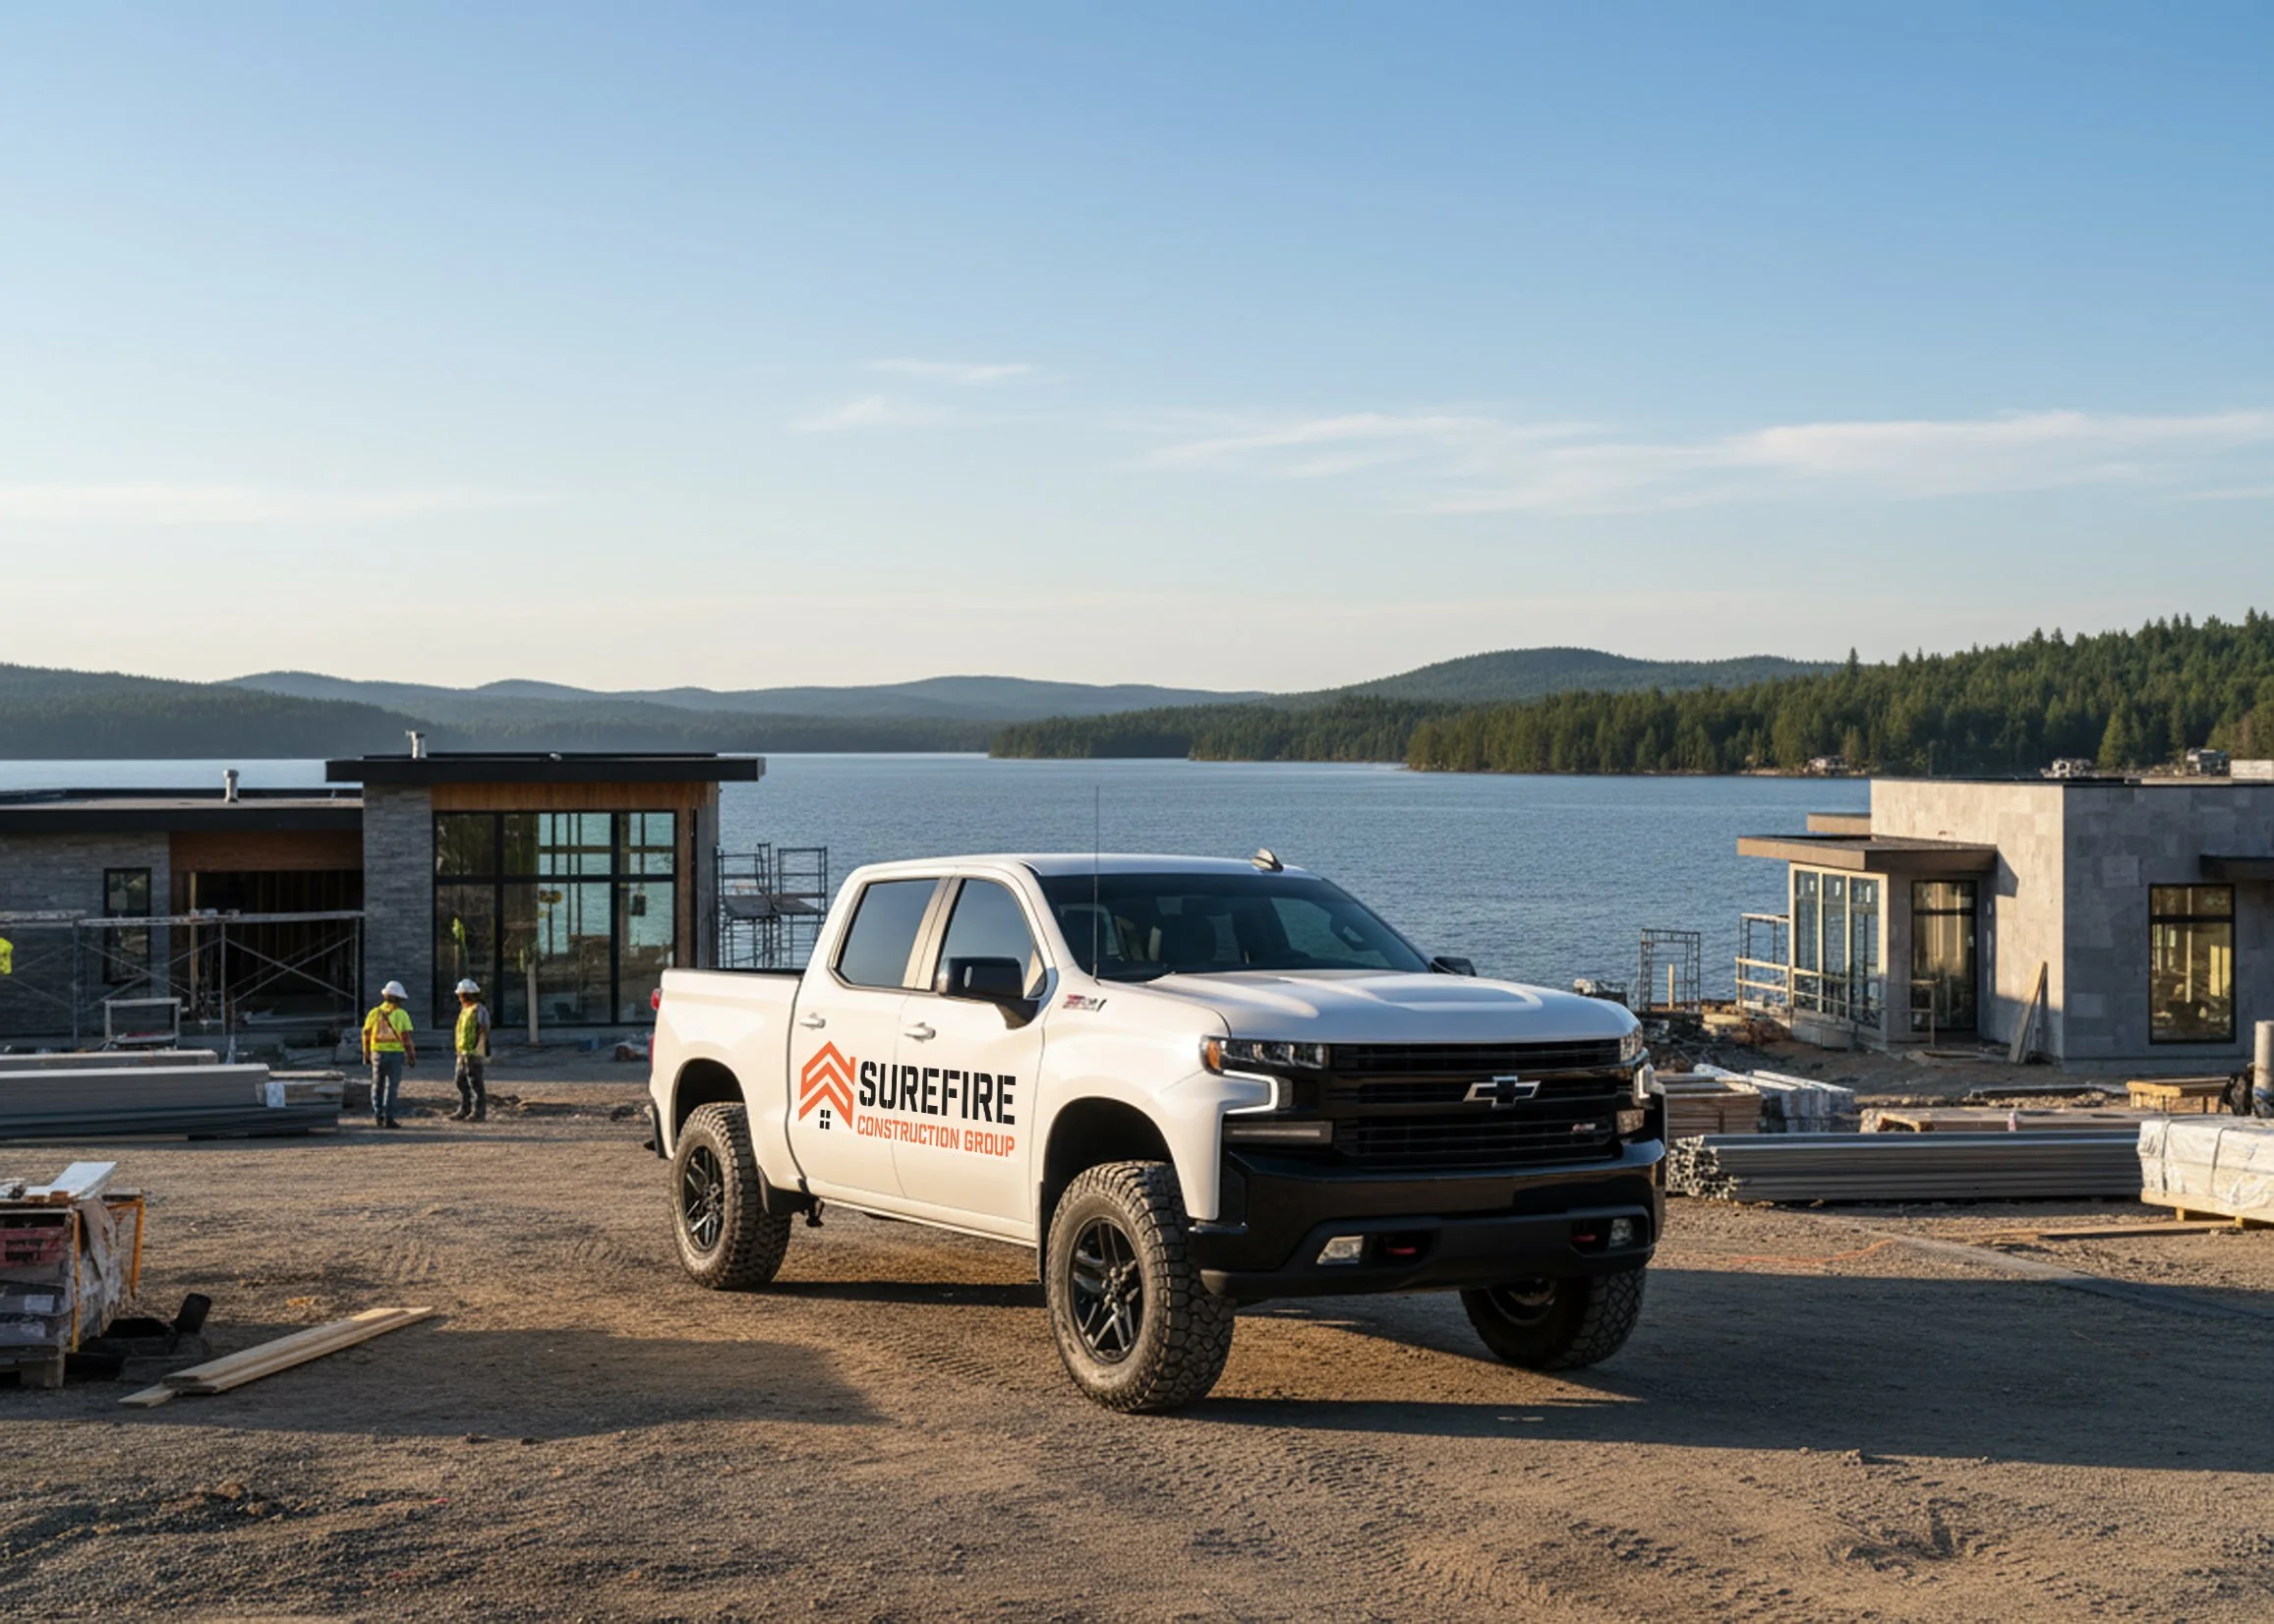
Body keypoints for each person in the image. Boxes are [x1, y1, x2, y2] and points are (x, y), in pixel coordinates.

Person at [361, 980, 417, 1130]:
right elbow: (405, 1037)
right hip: (395, 1053)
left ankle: (378, 1116)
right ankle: (389, 1118)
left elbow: (366, 1034)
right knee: (392, 1087)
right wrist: (411, 1055)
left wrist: (366, 1053)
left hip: (377, 1052)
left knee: (377, 1085)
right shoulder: (401, 1014)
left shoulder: (374, 1013)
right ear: (399, 998)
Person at [451, 977, 492, 1122]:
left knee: (475, 1082)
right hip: (462, 1051)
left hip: (473, 1052)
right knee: (460, 1081)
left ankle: (478, 1112)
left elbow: (483, 1029)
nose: (459, 998)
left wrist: (478, 1046)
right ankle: (465, 1108)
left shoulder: (478, 1010)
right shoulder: (465, 1010)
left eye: (461, 995)